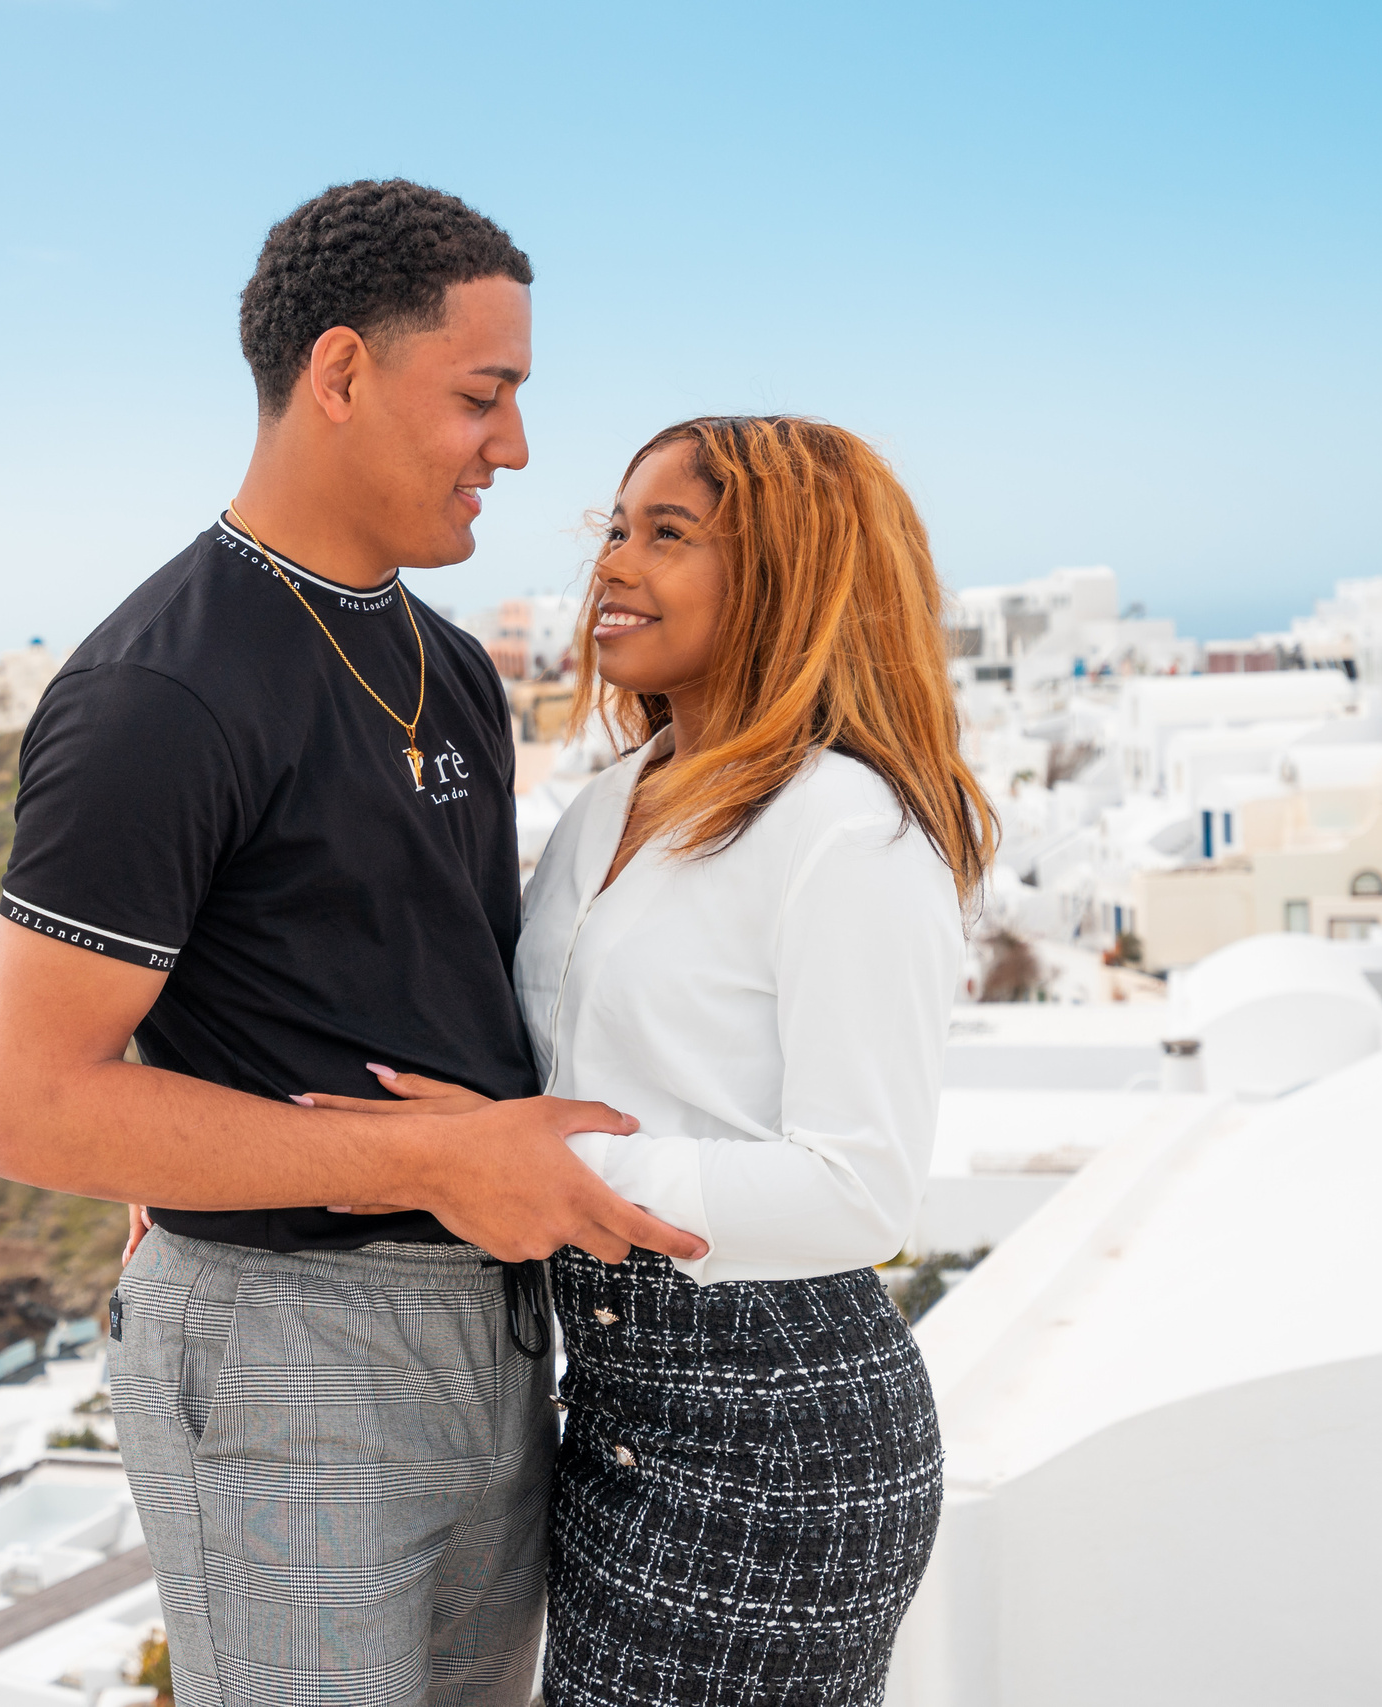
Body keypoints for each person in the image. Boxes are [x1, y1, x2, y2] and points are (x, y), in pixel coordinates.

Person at [0, 180, 706, 1707]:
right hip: (284, 1352)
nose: (514, 448)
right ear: (344, 372)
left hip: (491, 1336)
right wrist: (425, 1162)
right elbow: (32, 1105)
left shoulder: (446, 663)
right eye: (484, 397)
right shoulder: (156, 696)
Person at [326, 416, 992, 1703]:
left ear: (794, 578)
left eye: (669, 535)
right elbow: (524, 1067)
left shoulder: (846, 831)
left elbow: (862, 1192)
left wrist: (551, 1171)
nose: (615, 566)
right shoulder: (610, 803)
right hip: (615, 1412)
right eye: (616, 530)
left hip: (779, 1440)